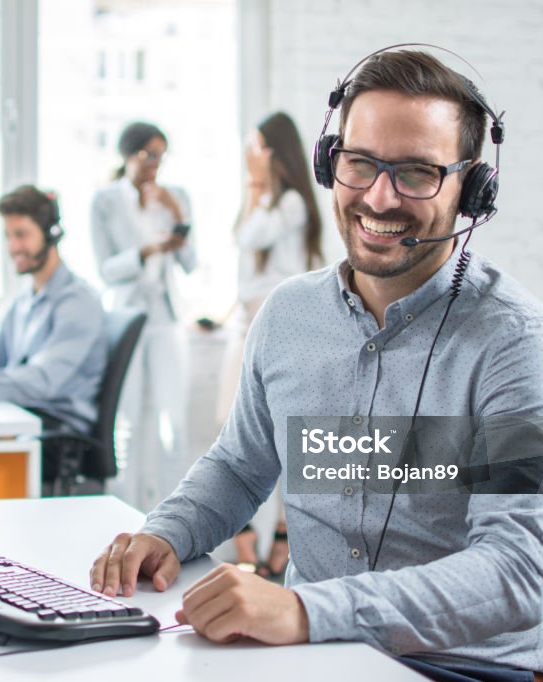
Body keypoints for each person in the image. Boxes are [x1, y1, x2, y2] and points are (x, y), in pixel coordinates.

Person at [89, 49, 543, 682]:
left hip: (459, 669)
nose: (380, 196)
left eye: (417, 173)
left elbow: (518, 573)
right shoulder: (288, 314)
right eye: (361, 163)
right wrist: (168, 532)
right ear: (330, 163)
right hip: (311, 659)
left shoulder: (519, 342)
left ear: (471, 189)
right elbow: (240, 466)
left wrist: (304, 611)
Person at [0, 185, 107, 484]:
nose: (13, 246)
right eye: (8, 235)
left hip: (57, 436)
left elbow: (42, 381)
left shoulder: (77, 302)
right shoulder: (25, 299)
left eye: (22, 234)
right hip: (24, 419)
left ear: (51, 233)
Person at [216, 112, 323, 577]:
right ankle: (247, 540)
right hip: (244, 323)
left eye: (257, 147)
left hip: (276, 328)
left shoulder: (294, 203)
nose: (251, 157)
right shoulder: (264, 200)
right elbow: (241, 246)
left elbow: (250, 235)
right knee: (231, 430)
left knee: (282, 436)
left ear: (276, 152)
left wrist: (255, 189)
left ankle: (278, 537)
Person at [90, 121, 197, 512]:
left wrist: (175, 213)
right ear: (127, 155)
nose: (155, 164)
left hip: (166, 318)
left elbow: (190, 261)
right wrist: (147, 251)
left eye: (160, 156)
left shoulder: (176, 196)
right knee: (128, 423)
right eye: (148, 155)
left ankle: (178, 518)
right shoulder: (105, 201)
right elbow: (106, 269)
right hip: (127, 318)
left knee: (174, 425)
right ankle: (123, 515)